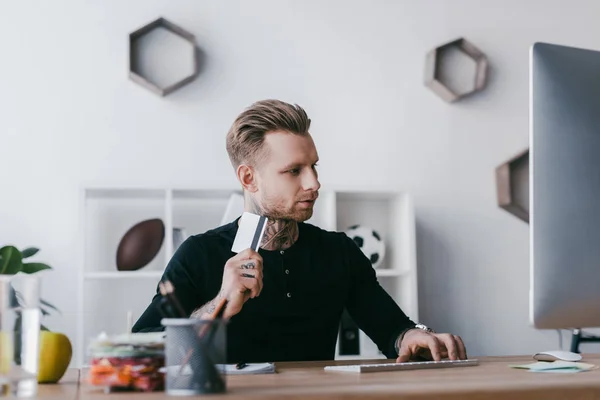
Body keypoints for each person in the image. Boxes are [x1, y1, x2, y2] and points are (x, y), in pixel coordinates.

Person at [132, 99, 467, 364]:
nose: (314, 183)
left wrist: (415, 337)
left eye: (313, 167)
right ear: (249, 178)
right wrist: (218, 306)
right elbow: (144, 352)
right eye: (294, 171)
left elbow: (392, 330)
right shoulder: (199, 254)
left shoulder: (339, 252)